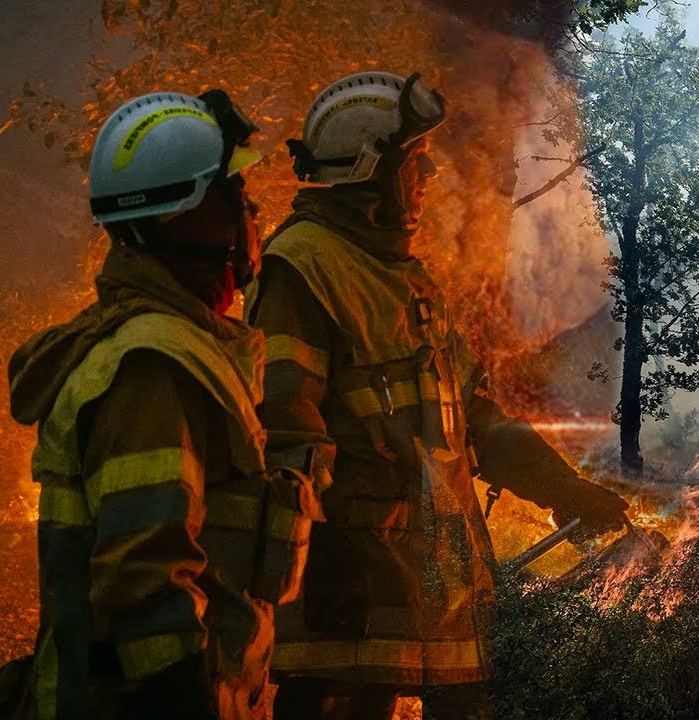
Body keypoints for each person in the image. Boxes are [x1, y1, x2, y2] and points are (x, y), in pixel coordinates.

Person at [245, 71, 630, 720]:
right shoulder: (301, 267)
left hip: (429, 587)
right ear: (368, 170)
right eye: (415, 163)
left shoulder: (408, 282)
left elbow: (474, 417)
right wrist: (323, 552)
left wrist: (568, 491)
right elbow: (280, 422)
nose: (427, 179)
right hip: (349, 594)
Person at [0, 90, 318, 720]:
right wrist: (184, 700)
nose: (254, 210)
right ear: (188, 218)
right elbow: (145, 581)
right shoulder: (153, 366)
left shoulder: (180, 346)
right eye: (236, 195)